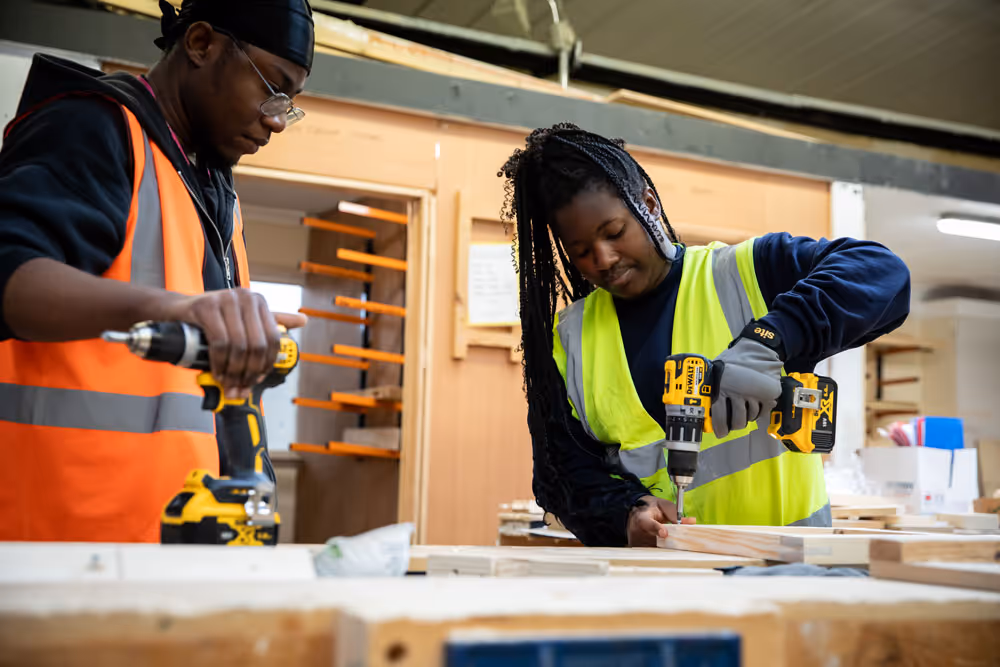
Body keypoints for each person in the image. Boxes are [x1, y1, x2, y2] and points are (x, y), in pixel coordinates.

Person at [498, 123, 910, 547]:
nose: (603, 258)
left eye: (615, 232)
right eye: (581, 250)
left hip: (789, 577)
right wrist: (627, 511)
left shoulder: (748, 273)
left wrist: (769, 341)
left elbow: (882, 272)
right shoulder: (569, 342)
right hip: (666, 587)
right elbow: (563, 473)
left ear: (650, 205)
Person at [0, 0, 316, 542]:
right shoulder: (91, 127)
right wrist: (175, 308)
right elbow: (10, 275)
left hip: (164, 550)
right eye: (272, 87)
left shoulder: (210, 185)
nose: (276, 119)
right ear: (200, 44)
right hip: (59, 550)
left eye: (289, 103)